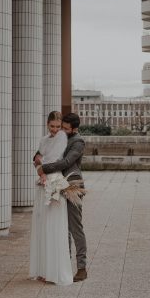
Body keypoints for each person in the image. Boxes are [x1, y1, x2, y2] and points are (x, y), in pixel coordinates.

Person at [36, 112, 88, 282]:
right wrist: (38, 161)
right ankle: (63, 265)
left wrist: (45, 168)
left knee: (75, 227)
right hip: (56, 183)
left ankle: (82, 268)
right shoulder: (59, 136)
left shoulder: (78, 142)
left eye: (65, 129)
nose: (62, 131)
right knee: (61, 229)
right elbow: (40, 154)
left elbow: (66, 162)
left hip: (73, 186)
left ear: (74, 129)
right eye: (61, 128)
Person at [29, 111, 73, 286]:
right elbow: (38, 157)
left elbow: (52, 159)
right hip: (43, 182)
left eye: (57, 126)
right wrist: (39, 165)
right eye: (52, 126)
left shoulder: (62, 136)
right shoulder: (43, 139)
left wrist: (40, 166)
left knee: (53, 225)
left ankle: (53, 271)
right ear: (47, 124)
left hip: (54, 182)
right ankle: (43, 270)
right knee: (42, 224)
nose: (55, 130)